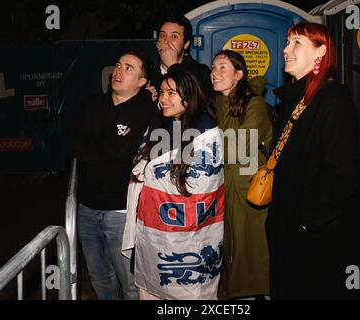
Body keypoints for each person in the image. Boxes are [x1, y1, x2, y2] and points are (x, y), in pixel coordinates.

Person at [267, 22, 360, 299]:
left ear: (320, 52)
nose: (286, 49)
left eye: (297, 43)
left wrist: (306, 219)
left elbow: (342, 173)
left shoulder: (333, 100)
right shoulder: (296, 98)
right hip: (291, 226)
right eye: (288, 42)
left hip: (319, 234)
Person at [122, 70, 224, 300]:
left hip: (188, 237)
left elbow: (201, 183)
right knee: (150, 288)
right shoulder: (161, 123)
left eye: (171, 93)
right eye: (162, 92)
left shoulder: (206, 131)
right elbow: (141, 158)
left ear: (188, 96)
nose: (163, 98)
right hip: (152, 233)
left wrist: (152, 173)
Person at [66, 48, 158, 300]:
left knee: (130, 283)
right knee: (99, 278)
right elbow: (74, 145)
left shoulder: (148, 111)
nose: (119, 71)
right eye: (118, 65)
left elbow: (124, 152)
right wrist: (111, 149)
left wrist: (98, 149)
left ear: (142, 82)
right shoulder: (91, 104)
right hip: (86, 210)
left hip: (123, 213)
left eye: (129, 68)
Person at [211, 49, 272, 299]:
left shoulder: (254, 104)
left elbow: (237, 145)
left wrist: (196, 147)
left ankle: (259, 294)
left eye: (223, 67)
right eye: (213, 68)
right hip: (224, 186)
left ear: (239, 75)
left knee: (253, 247)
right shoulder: (216, 103)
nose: (215, 72)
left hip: (249, 189)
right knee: (232, 245)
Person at [148, 15, 212, 99]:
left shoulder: (200, 72)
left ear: (186, 44)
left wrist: (172, 66)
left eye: (174, 36)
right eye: (163, 35)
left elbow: (197, 102)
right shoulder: (148, 74)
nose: (166, 41)